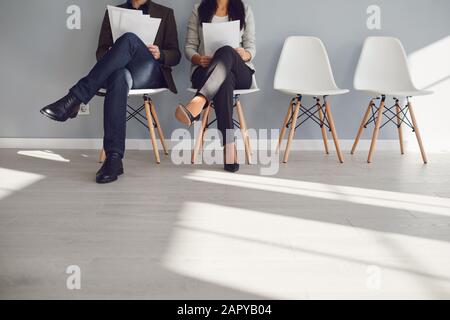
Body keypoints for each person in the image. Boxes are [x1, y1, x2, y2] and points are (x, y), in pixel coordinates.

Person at [40, 0, 181, 184]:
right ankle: (114, 158)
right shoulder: (115, 12)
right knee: (119, 76)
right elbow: (100, 52)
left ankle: (75, 98)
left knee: (130, 39)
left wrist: (160, 54)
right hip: (123, 71)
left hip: (149, 71)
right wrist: (113, 52)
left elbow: (175, 55)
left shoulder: (165, 13)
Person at [175, 0, 255, 173]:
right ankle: (229, 147)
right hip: (206, 70)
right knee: (224, 80)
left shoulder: (245, 9)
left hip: (240, 71)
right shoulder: (199, 10)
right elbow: (189, 47)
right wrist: (198, 58)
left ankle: (200, 100)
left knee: (226, 51)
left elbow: (251, 47)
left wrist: (245, 54)